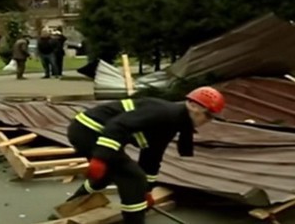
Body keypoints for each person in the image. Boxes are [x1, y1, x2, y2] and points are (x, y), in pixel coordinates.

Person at [63, 87, 225, 224]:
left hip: (94, 132)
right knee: (133, 178)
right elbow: (117, 126)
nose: (208, 121)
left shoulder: (174, 121)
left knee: (111, 175)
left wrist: (147, 190)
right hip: (88, 130)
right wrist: (101, 157)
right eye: (208, 115)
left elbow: (152, 156)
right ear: (193, 106)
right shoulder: (166, 113)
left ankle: (69, 207)